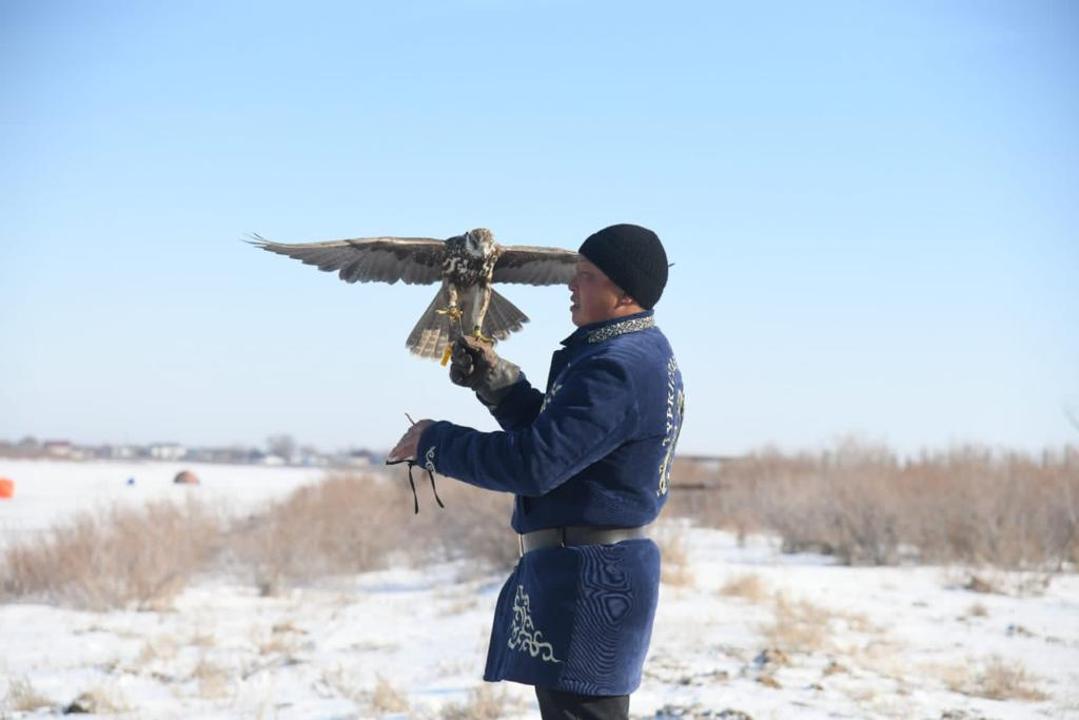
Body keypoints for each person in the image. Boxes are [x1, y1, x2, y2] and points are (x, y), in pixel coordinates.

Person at [387, 223, 685, 720]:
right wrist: (497, 383)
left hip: (592, 586)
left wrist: (437, 442)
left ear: (624, 291)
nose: (571, 284)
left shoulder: (618, 366)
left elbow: (536, 464)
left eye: (586, 275)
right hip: (591, 576)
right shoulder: (631, 353)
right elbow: (563, 443)